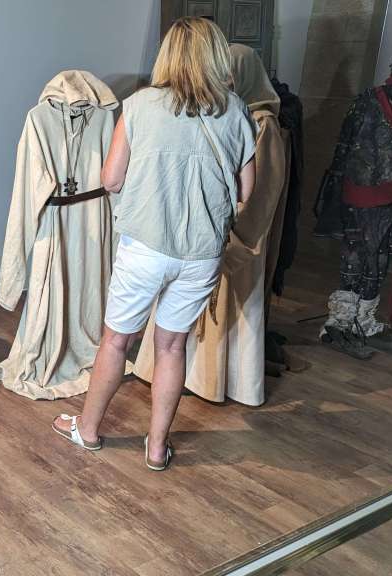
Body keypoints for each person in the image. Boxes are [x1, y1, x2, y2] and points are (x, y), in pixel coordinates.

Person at [51, 17, 257, 470]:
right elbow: (246, 190)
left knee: (115, 342)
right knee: (172, 347)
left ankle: (88, 430)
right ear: (215, 56)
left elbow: (110, 178)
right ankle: (157, 447)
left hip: (145, 246)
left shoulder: (140, 105)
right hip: (201, 252)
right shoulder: (236, 110)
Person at [132, 43, 290, 407]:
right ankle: (177, 377)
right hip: (200, 235)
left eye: (230, 74)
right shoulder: (217, 112)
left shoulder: (262, 124)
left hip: (234, 240)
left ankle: (218, 382)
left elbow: (260, 195)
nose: (224, 81)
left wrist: (232, 245)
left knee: (227, 314)